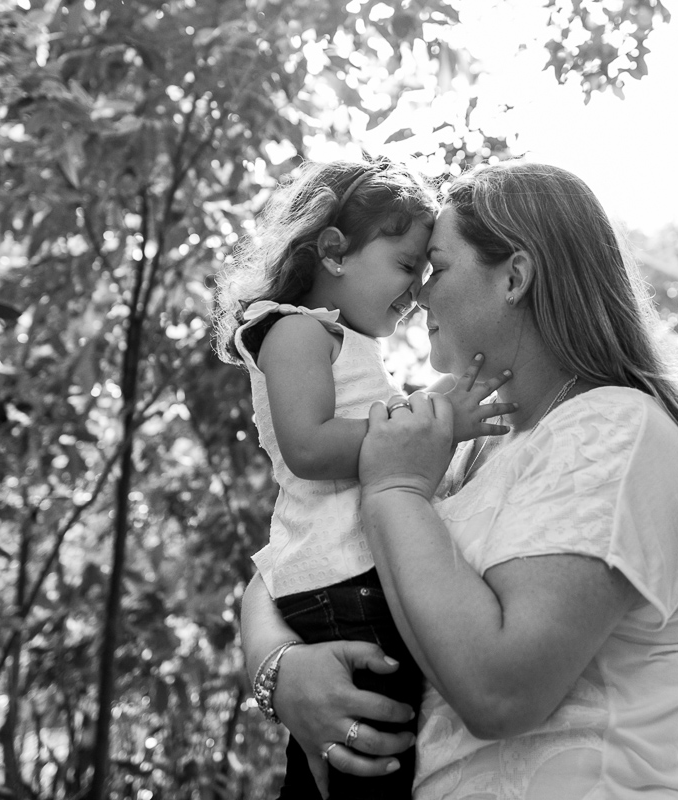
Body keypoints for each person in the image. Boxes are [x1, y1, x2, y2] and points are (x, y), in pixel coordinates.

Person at [240, 161, 678, 799]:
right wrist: (279, 670)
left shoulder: (613, 428)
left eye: (435, 268)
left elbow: (501, 691)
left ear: (515, 277)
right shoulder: (480, 450)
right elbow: (291, 561)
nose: (417, 294)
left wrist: (394, 491)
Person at [213, 157, 515, 799]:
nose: (415, 293)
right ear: (333, 251)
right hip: (340, 581)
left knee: (366, 754)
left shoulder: (342, 341)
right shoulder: (293, 329)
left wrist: (431, 409)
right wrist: (430, 425)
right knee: (375, 749)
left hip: (355, 573)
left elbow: (368, 428)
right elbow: (311, 446)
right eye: (406, 267)